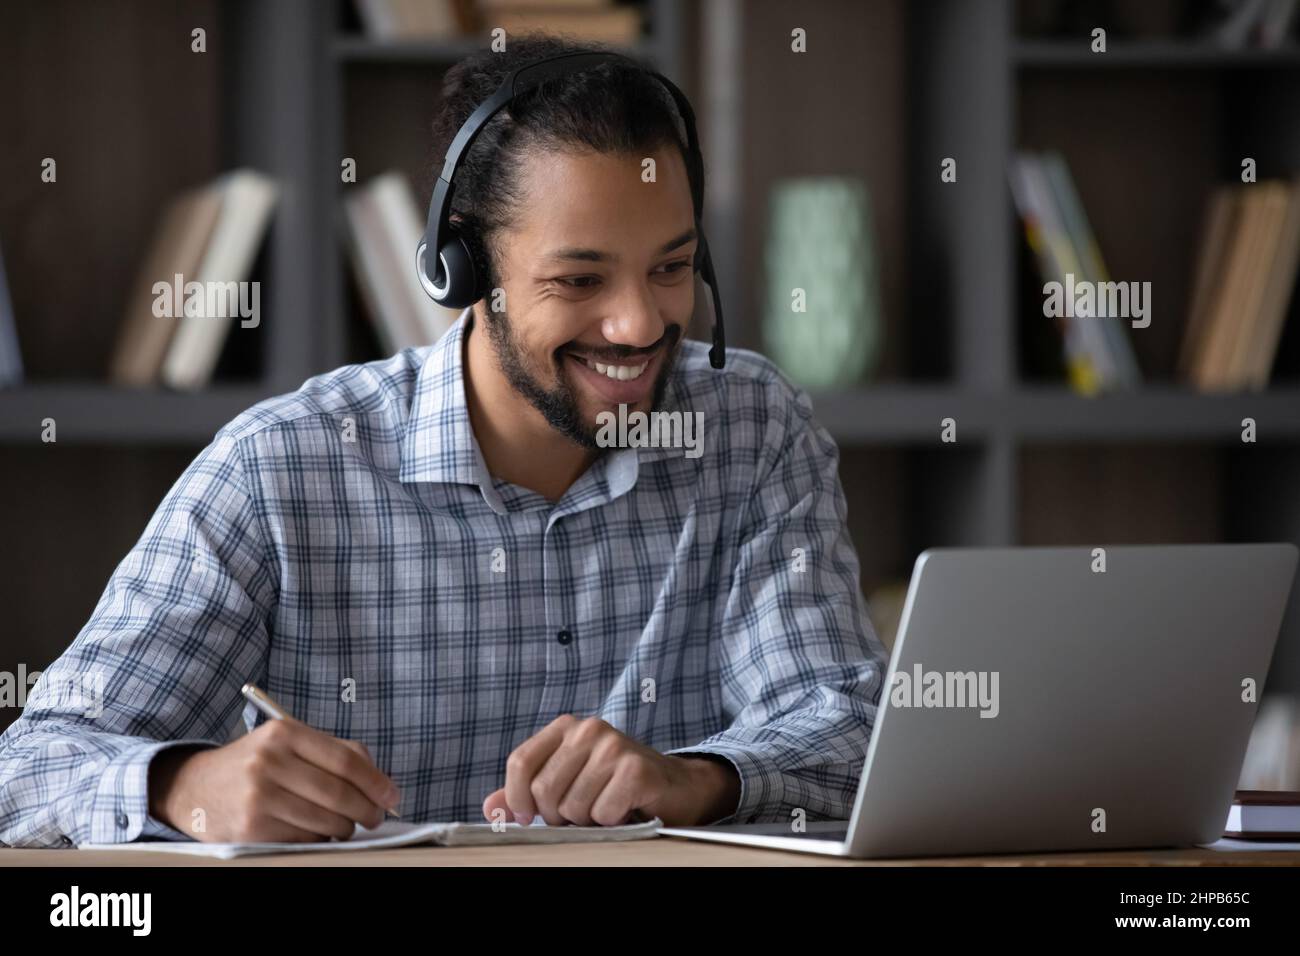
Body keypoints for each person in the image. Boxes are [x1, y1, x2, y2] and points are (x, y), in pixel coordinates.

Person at [0, 35, 886, 847]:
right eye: (579, 278)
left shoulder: (751, 427)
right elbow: (27, 767)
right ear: (460, 271)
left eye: (670, 267)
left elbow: (849, 732)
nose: (638, 323)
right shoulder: (280, 469)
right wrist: (185, 786)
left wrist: (693, 780)